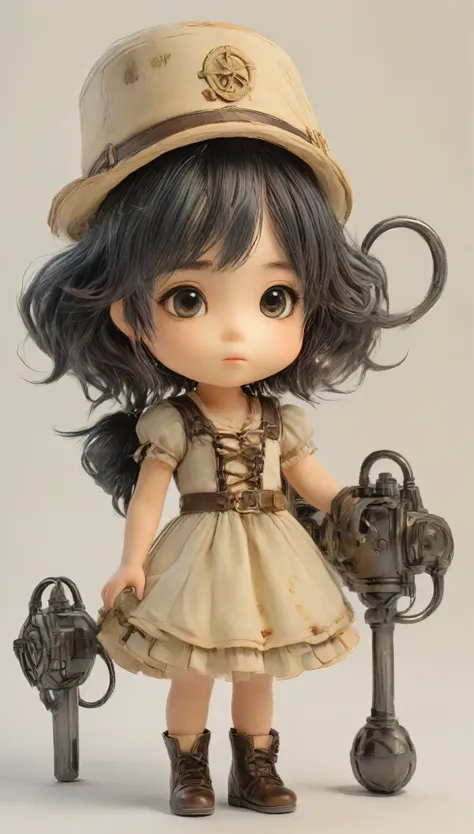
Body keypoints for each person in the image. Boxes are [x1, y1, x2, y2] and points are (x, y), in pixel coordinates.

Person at [19, 21, 410, 817]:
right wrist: (131, 564)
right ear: (126, 312)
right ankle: (189, 766)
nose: (237, 334)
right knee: (195, 664)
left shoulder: (278, 420)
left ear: (313, 300)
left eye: (275, 297)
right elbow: (149, 498)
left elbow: (310, 480)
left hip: (272, 550)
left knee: (257, 666)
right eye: (188, 298)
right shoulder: (173, 424)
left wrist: (352, 507)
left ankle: (256, 764)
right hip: (197, 553)